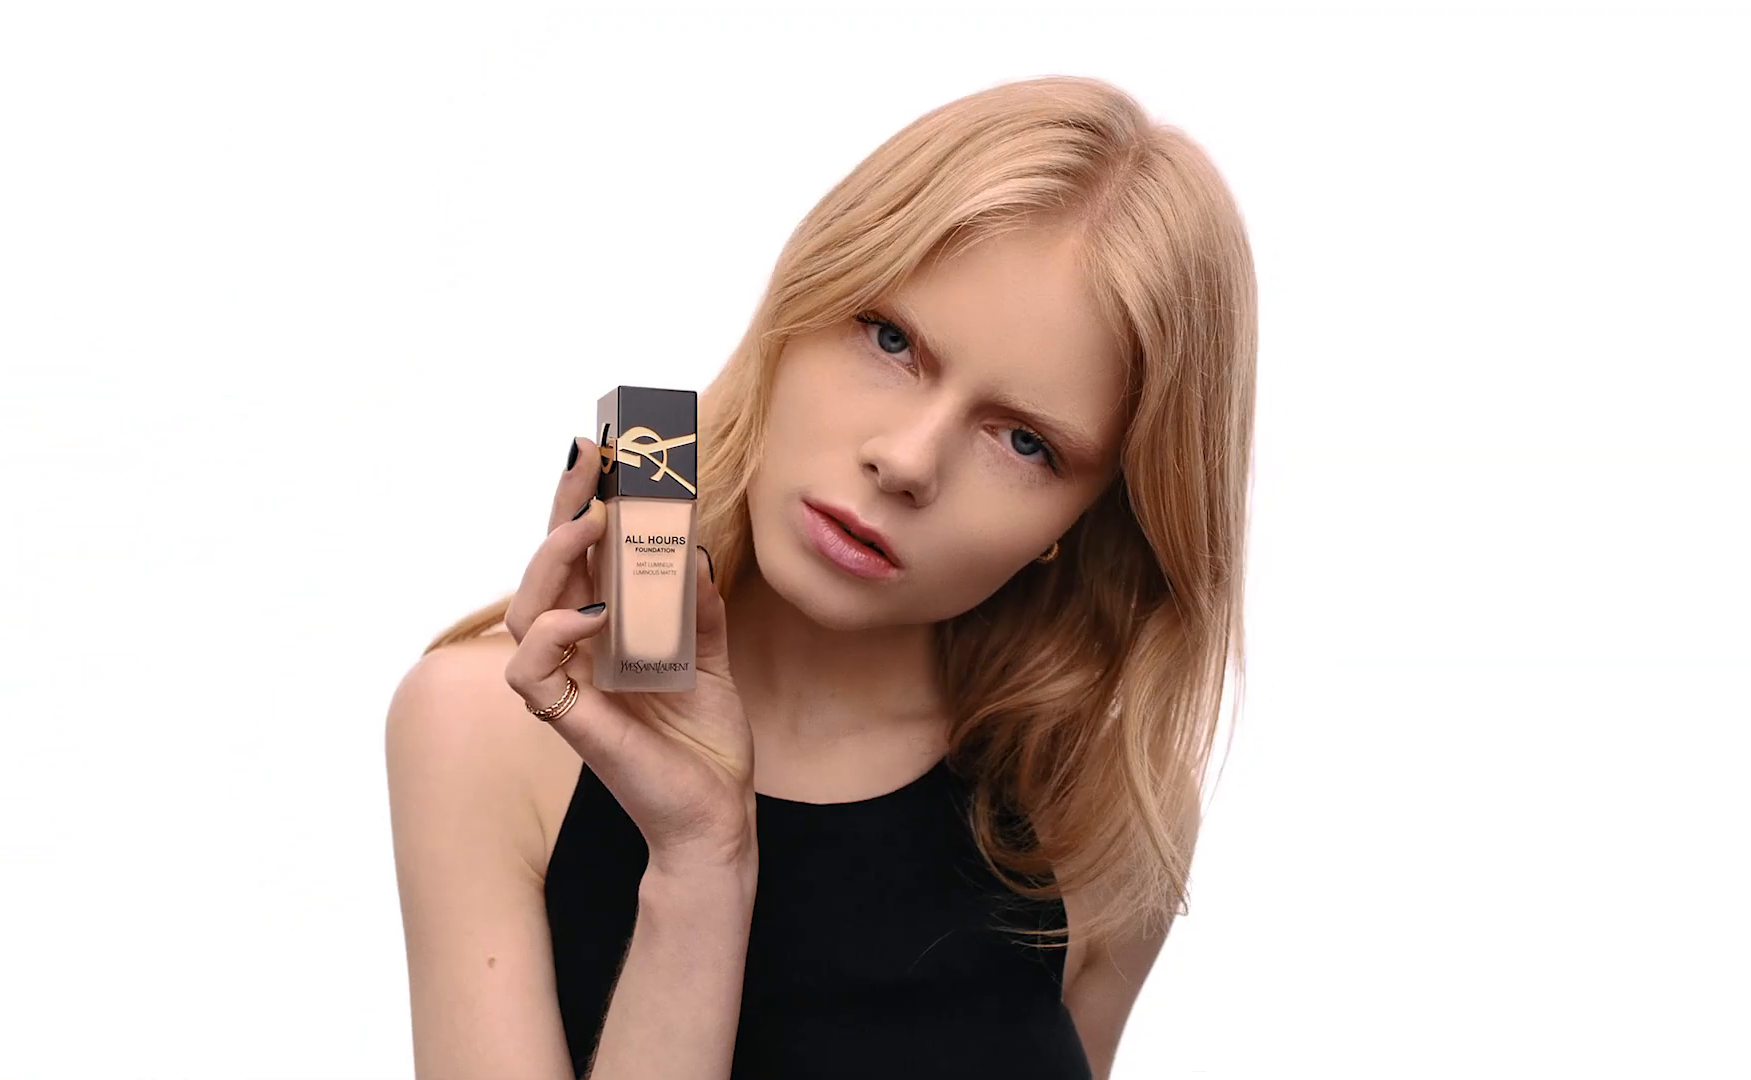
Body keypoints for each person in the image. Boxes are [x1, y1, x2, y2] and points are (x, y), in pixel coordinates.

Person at [386, 74, 1256, 1080]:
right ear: (798, 304)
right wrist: (698, 863)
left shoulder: (1099, 806)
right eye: (891, 340)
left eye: (1025, 441)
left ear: (1086, 520)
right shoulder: (483, 728)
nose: (908, 461)